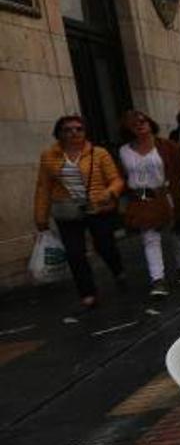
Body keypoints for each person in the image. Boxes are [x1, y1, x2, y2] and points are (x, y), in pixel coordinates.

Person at [33, 114, 125, 309]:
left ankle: (118, 270)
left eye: (78, 129)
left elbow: (116, 179)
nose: (74, 132)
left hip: (97, 207)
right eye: (68, 129)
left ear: (85, 132)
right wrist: (40, 217)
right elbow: (43, 187)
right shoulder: (49, 156)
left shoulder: (98, 153)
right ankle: (88, 293)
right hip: (67, 211)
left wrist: (109, 193)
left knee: (104, 245)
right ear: (59, 134)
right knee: (75, 253)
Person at [118, 109, 180, 298]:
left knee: (178, 232)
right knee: (149, 236)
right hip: (142, 195)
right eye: (135, 124)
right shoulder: (124, 151)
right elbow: (124, 176)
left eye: (143, 121)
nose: (141, 125)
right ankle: (158, 279)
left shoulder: (167, 146)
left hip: (167, 192)